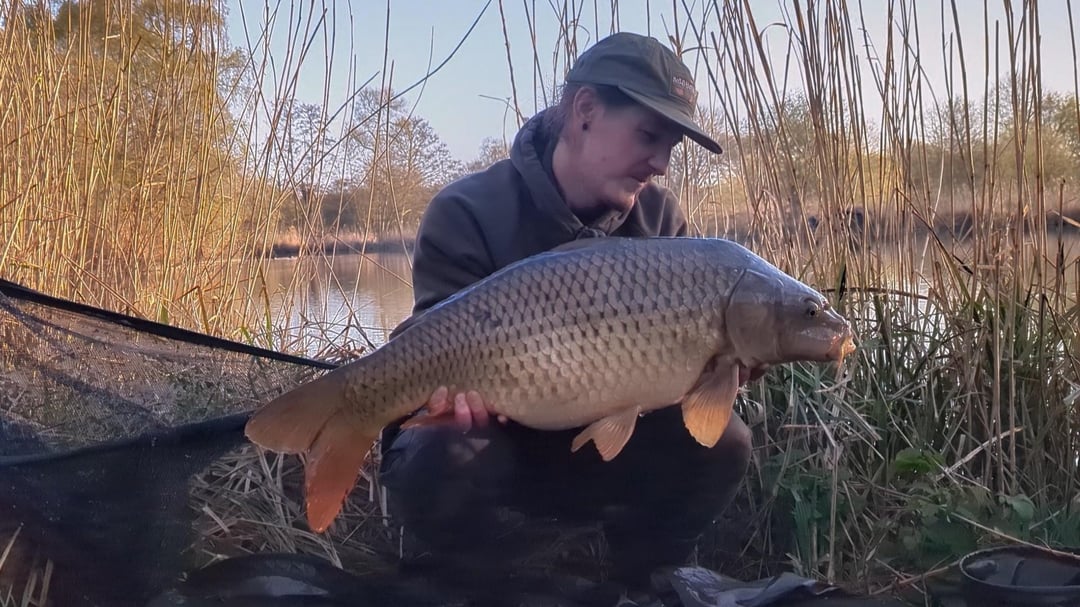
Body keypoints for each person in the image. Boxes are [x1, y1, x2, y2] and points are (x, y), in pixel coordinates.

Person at [378, 32, 756, 587]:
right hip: (499, 452)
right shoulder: (467, 210)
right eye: (648, 135)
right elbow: (428, 348)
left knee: (726, 441)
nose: (660, 163)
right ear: (585, 110)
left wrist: (718, 371)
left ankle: (651, 578)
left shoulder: (661, 222)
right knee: (442, 452)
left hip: (603, 449)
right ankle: (474, 582)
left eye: (671, 146)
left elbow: (683, 386)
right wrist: (450, 402)